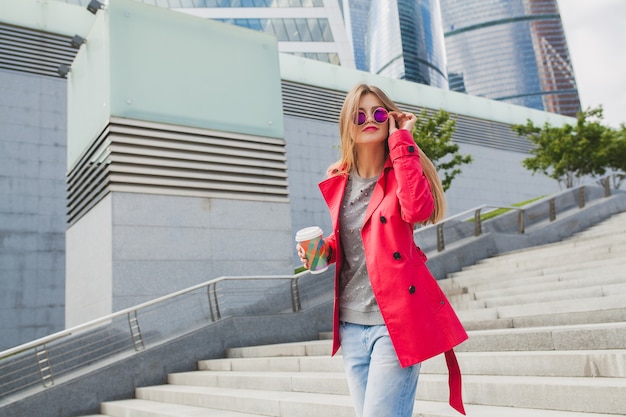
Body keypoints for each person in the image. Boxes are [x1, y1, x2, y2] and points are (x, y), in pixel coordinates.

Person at [296, 83, 468, 417]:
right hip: (350, 323)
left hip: (395, 324)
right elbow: (354, 237)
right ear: (347, 123)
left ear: (389, 118)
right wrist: (326, 251)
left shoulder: (403, 170)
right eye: (359, 115)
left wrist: (402, 140)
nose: (368, 120)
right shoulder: (339, 177)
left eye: (377, 113)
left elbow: (417, 210)